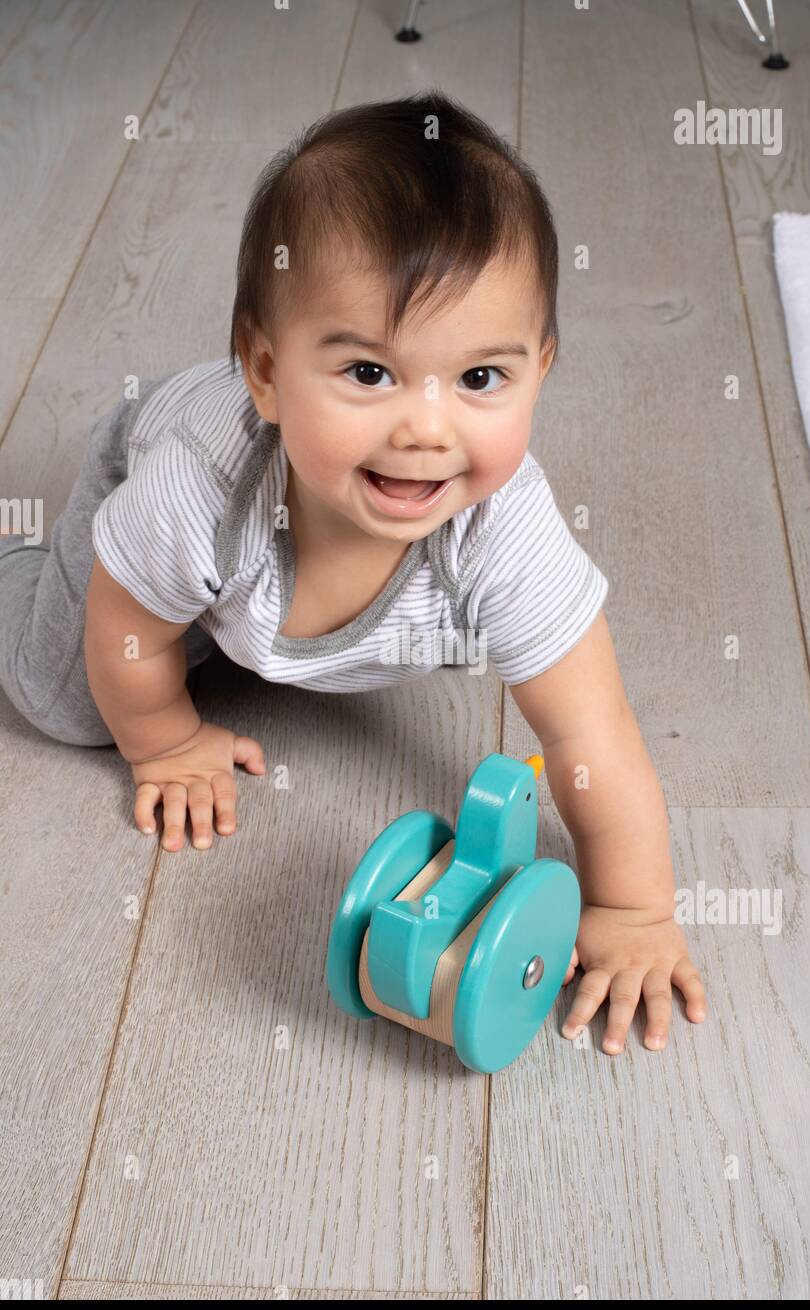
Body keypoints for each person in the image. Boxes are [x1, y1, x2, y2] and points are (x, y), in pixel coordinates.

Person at [0, 90, 706, 1052]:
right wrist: (163, 741)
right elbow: (127, 628)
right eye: (369, 373)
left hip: (254, 591)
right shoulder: (194, 493)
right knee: (67, 699)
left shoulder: (504, 528)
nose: (425, 427)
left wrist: (634, 907)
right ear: (264, 370)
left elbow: (592, 729)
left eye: (480, 379)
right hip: (153, 535)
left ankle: (243, 627)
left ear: (542, 366)